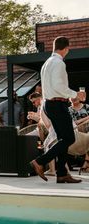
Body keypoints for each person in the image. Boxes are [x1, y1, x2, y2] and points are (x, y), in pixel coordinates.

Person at [31, 37, 81, 184]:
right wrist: (75, 94)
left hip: (50, 103)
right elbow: (59, 86)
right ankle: (40, 161)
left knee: (62, 139)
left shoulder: (47, 63)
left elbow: (54, 87)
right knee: (69, 138)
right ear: (66, 49)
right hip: (57, 104)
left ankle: (61, 173)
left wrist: (68, 97)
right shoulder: (59, 63)